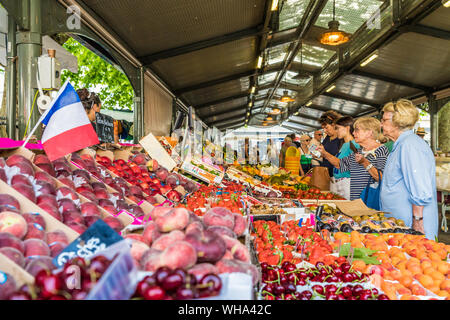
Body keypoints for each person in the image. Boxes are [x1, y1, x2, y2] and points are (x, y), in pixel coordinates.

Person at [380, 99, 438, 240]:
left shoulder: (410, 145)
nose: (381, 124)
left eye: (384, 120)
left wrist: (417, 221)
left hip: (411, 226)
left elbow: (419, 187)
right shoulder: (400, 145)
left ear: (398, 122)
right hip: (400, 225)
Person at [337, 117, 389, 201]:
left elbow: (382, 178)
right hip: (355, 202)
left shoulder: (381, 150)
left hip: (370, 202)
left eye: (357, 130)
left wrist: (365, 162)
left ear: (369, 133)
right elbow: (340, 164)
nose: (353, 133)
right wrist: (324, 153)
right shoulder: (359, 151)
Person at [317, 116, 359, 200]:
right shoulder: (344, 145)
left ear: (347, 128)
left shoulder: (354, 145)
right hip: (338, 182)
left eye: (338, 128)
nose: (336, 131)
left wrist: (325, 153)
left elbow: (340, 164)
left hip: (347, 184)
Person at [318, 111, 343, 177]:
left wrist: (324, 153)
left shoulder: (342, 139)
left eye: (326, 128)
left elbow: (341, 163)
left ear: (334, 124)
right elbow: (323, 152)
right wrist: (318, 153)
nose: (325, 131)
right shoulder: (327, 138)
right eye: (323, 128)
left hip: (337, 176)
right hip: (326, 174)